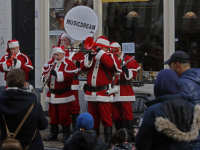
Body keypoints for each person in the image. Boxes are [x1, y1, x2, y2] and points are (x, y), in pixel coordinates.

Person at [135, 69, 200, 150]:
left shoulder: (153, 111)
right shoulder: (192, 108)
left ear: (158, 86)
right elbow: (196, 141)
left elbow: (142, 145)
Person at [80, 36, 122, 149]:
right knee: (93, 118)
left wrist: (100, 53)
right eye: (95, 45)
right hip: (91, 93)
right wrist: (89, 56)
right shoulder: (92, 56)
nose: (96, 47)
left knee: (106, 118)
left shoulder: (110, 56)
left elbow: (110, 64)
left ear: (104, 47)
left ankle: (108, 141)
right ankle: (95, 139)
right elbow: (83, 68)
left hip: (103, 92)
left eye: (98, 46)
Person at [0, 68, 48, 150]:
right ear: (25, 84)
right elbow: (43, 125)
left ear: (7, 84)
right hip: (32, 146)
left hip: (7, 146)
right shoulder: (35, 105)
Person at [163, 51, 200, 149]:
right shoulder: (196, 77)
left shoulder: (181, 84)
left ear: (177, 65)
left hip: (192, 140)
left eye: (170, 66)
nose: (170, 69)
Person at [42, 46, 78, 143]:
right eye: (55, 55)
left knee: (64, 116)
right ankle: (53, 134)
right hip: (52, 94)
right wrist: (45, 77)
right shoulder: (51, 64)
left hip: (64, 94)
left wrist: (57, 74)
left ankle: (66, 135)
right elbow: (43, 73)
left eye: (58, 55)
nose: (56, 57)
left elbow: (69, 75)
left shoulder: (68, 63)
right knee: (53, 116)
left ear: (63, 54)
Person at [110, 42, 140, 131]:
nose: (116, 51)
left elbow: (134, 73)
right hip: (114, 90)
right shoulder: (110, 59)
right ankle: (120, 134)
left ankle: (129, 135)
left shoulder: (128, 59)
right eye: (113, 50)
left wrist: (126, 71)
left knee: (128, 114)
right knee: (116, 114)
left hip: (125, 90)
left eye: (117, 49)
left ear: (120, 48)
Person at [58, 32, 84, 133]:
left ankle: (75, 126)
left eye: (65, 40)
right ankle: (65, 125)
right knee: (63, 104)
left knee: (74, 104)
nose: (63, 42)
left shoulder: (77, 53)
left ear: (69, 41)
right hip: (61, 82)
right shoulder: (58, 52)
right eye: (62, 40)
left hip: (73, 81)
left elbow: (82, 66)